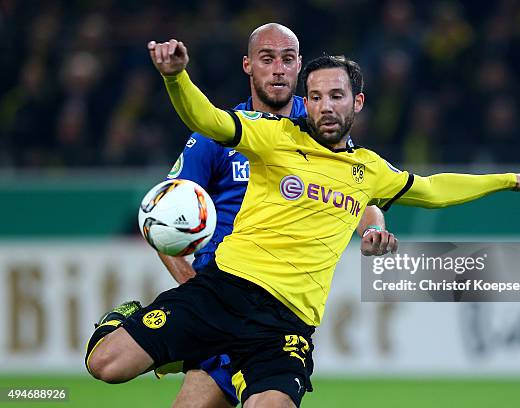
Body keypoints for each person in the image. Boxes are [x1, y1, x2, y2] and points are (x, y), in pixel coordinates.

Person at [85, 38, 520, 408]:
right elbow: (208, 120)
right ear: (304, 103)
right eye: (314, 97)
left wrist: (511, 179)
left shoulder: (369, 170)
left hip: (284, 325)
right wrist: (175, 78)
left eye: (336, 95)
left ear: (357, 103)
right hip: (221, 292)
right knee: (104, 366)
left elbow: (433, 189)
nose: (325, 106)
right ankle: (124, 319)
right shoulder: (272, 136)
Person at [92, 24, 398, 408]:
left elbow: (359, 191)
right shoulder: (219, 133)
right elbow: (162, 213)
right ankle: (135, 323)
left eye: (288, 60)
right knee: (112, 367)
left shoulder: (321, 123)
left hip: (273, 313)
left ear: (300, 66)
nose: (278, 70)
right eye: (267, 59)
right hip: (218, 295)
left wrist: (374, 230)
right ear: (248, 66)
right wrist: (190, 284)